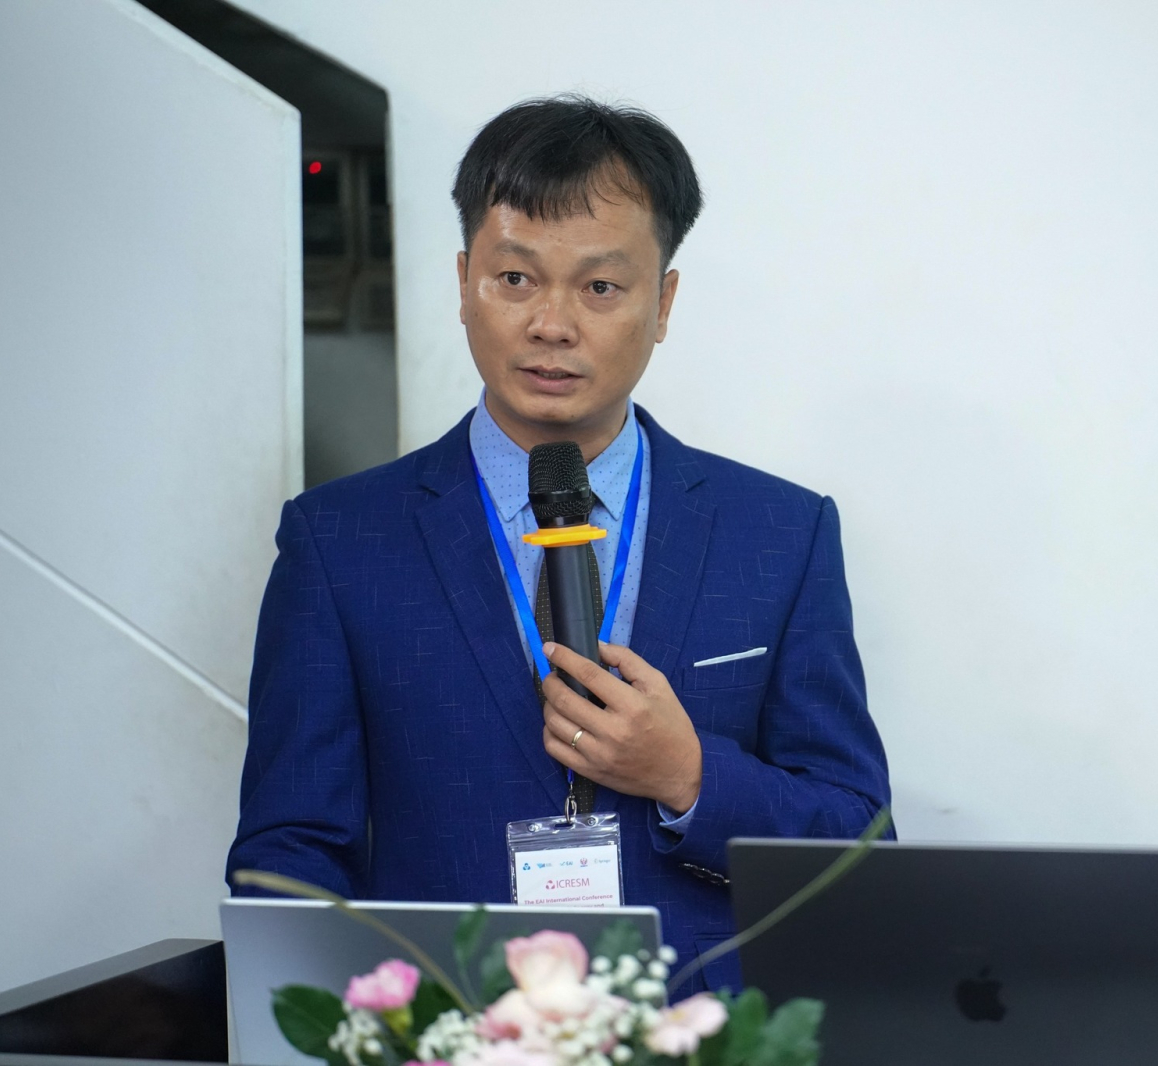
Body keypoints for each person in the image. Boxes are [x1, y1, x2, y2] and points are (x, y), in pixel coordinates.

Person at [226, 94, 892, 991]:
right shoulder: (340, 542)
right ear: (463, 281)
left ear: (663, 302)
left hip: (702, 1036)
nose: (552, 323)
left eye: (601, 287)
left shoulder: (780, 532)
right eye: (515, 278)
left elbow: (861, 847)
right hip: (449, 1031)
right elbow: (290, 860)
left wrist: (690, 775)